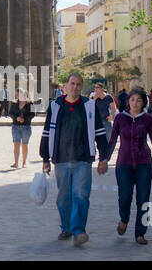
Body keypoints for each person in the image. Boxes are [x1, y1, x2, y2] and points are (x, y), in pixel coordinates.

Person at [40, 72, 111, 247]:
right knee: (64, 198)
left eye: (79, 84)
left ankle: (79, 231)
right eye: (72, 83)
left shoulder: (89, 106)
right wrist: (45, 158)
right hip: (61, 159)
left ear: (82, 86)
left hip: (83, 159)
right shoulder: (56, 106)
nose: (75, 87)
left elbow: (100, 132)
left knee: (80, 195)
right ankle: (66, 227)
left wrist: (104, 158)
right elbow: (47, 132)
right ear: (65, 86)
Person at [100, 85, 152, 244]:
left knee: (144, 199)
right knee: (124, 196)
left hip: (144, 164)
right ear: (128, 101)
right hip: (124, 164)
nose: (135, 103)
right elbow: (112, 141)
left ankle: (141, 233)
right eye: (132, 99)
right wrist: (105, 160)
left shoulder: (148, 119)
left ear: (143, 102)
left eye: (138, 100)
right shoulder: (120, 118)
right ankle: (124, 220)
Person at [10, 88, 34, 167]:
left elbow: (33, 114)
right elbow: (10, 113)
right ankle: (16, 163)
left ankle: (24, 162)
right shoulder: (14, 103)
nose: (17, 95)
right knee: (16, 144)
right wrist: (16, 118)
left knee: (24, 144)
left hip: (26, 127)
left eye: (18, 93)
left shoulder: (30, 104)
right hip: (15, 126)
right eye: (16, 94)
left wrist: (24, 119)